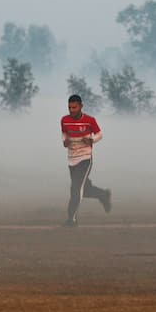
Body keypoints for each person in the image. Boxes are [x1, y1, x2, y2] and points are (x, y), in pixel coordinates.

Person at [61, 94, 111, 227]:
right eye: (69, 107)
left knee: (76, 189)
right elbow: (64, 136)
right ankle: (103, 194)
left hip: (85, 159)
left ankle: (71, 220)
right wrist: (65, 142)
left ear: (81, 106)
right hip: (71, 159)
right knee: (84, 189)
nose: (72, 110)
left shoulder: (89, 120)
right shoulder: (64, 120)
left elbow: (100, 134)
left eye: (74, 107)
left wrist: (91, 140)